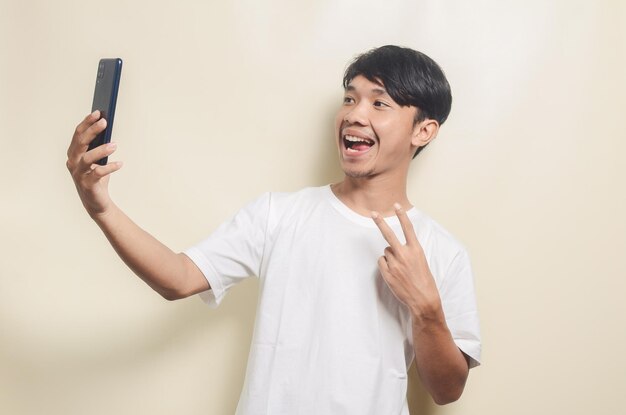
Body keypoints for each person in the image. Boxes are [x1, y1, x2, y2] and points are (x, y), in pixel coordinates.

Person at [67, 45, 481, 414]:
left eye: (380, 103)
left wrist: (426, 307)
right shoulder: (278, 215)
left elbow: (446, 391)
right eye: (350, 98)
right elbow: (178, 278)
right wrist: (100, 207)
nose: (354, 114)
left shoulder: (443, 251)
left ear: (423, 130)